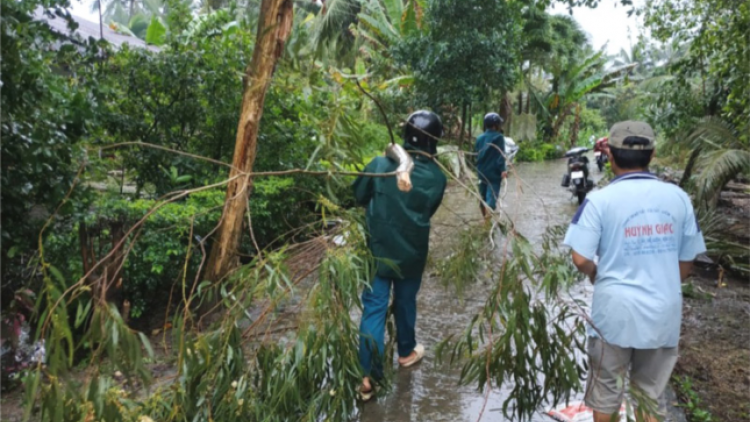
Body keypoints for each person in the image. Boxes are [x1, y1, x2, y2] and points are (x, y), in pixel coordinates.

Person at [563, 121, 706, 422]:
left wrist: (594, 274)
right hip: (661, 313)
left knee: (605, 396)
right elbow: (687, 259)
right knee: (649, 398)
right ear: (651, 155)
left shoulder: (599, 200)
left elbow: (579, 258)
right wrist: (665, 283)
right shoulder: (678, 198)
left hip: (614, 314)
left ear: (610, 157)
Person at [353, 110, 447, 401]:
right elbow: (426, 211)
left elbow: (357, 196)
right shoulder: (437, 178)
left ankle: (367, 377)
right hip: (411, 255)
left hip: (378, 252)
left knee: (374, 308)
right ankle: (406, 352)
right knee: (405, 303)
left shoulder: (380, 164)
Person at [475, 113, 508, 220]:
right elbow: (500, 156)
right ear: (496, 125)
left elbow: (476, 154)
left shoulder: (479, 138)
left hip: (481, 173)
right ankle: (487, 224)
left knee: (482, 197)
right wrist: (503, 170)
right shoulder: (499, 137)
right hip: (493, 175)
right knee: (491, 200)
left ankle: (485, 218)